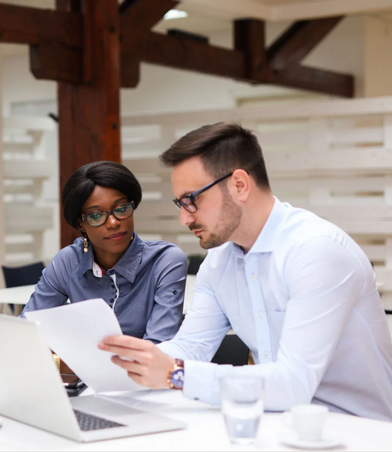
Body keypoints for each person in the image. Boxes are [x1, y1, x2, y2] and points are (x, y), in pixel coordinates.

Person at [98, 122, 392, 422]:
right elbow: (191, 346)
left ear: (239, 185)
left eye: (191, 200)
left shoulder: (316, 251)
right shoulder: (218, 261)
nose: (184, 218)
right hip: (275, 422)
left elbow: (293, 383)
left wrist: (176, 374)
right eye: (180, 203)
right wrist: (127, 362)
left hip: (358, 431)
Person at [21, 161, 187, 342]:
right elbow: (26, 330)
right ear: (81, 224)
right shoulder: (69, 262)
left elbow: (159, 346)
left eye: (121, 209)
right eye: (96, 215)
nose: (114, 222)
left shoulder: (164, 261)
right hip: (81, 370)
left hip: (147, 370)